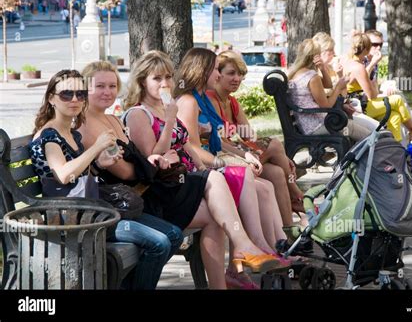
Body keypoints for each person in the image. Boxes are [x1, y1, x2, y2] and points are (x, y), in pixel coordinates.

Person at [80, 60, 283, 289]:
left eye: (111, 85)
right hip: (138, 199)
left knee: (216, 211)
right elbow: (128, 171)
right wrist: (157, 159)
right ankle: (246, 244)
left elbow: (151, 157)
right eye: (100, 86)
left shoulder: (113, 119)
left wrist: (157, 160)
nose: (107, 92)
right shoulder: (108, 120)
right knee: (215, 179)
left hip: (153, 187)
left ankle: (229, 275)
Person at [29, 69, 184, 290]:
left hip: (92, 209)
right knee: (158, 243)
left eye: (80, 94)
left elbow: (82, 174)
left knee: (173, 234)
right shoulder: (49, 135)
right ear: (52, 98)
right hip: (72, 218)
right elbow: (63, 175)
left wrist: (101, 163)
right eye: (66, 94)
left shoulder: (70, 133)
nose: (74, 99)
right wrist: (96, 148)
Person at [173, 48, 291, 256]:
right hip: (200, 172)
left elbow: (221, 139)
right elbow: (192, 148)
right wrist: (228, 163)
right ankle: (260, 247)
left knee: (266, 187)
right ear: (202, 71)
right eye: (216, 69)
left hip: (214, 163)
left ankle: (279, 247)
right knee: (258, 183)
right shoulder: (189, 101)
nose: (218, 75)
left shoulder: (202, 100)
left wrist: (243, 154)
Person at [207, 50, 307, 220]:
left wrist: (280, 157)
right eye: (231, 73)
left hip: (237, 154)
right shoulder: (211, 99)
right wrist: (276, 152)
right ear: (218, 75)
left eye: (240, 74)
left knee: (276, 172)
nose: (237, 79)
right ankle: (297, 194)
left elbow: (249, 137)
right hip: (221, 156)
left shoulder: (232, 102)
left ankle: (287, 232)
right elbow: (219, 141)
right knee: (274, 144)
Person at [287, 39, 371, 142]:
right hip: (317, 126)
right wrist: (338, 88)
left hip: (310, 125)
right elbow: (326, 106)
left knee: (355, 126)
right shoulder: (312, 77)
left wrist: (322, 68)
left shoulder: (299, 72)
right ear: (315, 56)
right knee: (367, 135)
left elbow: (328, 85)